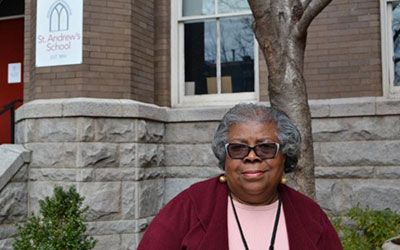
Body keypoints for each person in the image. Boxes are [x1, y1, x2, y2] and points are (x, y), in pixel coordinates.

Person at [137, 103, 343, 250]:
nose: (252, 157)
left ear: (284, 155)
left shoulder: (309, 214)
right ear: (224, 156)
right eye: (238, 148)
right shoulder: (189, 207)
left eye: (265, 148)